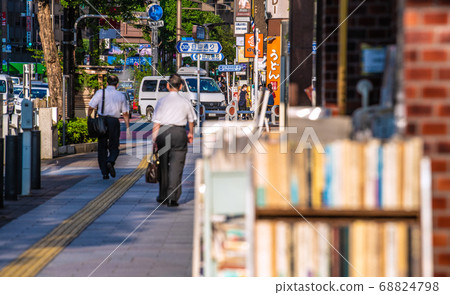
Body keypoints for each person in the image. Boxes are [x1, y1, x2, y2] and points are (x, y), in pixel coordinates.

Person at [152, 74, 197, 207]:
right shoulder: (185, 102)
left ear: (167, 86)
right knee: (177, 166)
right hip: (179, 133)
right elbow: (191, 120)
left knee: (163, 165)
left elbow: (156, 124)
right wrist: (190, 134)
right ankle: (173, 197)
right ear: (181, 86)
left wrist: (154, 140)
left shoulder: (161, 102)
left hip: (163, 133)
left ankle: (162, 195)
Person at [88, 75, 130, 180]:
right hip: (114, 122)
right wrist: (128, 127)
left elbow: (91, 106)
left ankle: (104, 173)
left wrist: (89, 117)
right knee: (114, 145)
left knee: (102, 146)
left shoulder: (100, 93)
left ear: (106, 83)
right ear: (117, 84)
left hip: (101, 121)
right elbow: (125, 113)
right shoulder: (121, 95)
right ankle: (110, 161)